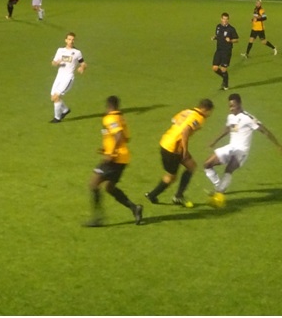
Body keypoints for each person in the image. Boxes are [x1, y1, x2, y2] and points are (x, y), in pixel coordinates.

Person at [203, 93, 282, 203]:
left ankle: (219, 193)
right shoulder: (231, 116)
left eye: (233, 106)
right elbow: (228, 129)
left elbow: (264, 131)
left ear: (240, 104)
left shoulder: (248, 118)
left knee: (229, 169)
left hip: (241, 151)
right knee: (207, 165)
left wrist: (278, 146)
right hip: (230, 147)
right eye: (230, 106)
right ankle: (219, 185)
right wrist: (214, 141)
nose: (231, 108)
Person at [85, 96, 143, 227]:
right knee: (109, 187)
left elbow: (119, 135)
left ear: (108, 106)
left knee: (93, 184)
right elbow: (126, 138)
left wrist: (111, 152)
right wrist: (106, 148)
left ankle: (97, 218)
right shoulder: (120, 117)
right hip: (123, 158)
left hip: (115, 158)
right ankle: (135, 208)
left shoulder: (110, 118)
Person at [145, 99, 215, 208]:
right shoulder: (199, 117)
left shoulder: (187, 111)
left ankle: (178, 195)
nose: (209, 115)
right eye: (210, 112)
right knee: (171, 177)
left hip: (166, 141)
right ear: (206, 109)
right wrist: (185, 150)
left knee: (191, 166)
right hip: (173, 148)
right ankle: (153, 195)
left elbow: (174, 120)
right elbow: (185, 131)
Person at [50, 32, 86, 123]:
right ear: (66, 40)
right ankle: (65, 110)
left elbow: (83, 63)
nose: (71, 41)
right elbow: (53, 62)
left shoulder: (77, 52)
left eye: (73, 40)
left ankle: (57, 118)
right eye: (69, 39)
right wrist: (56, 63)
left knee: (55, 97)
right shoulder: (60, 50)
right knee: (53, 97)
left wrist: (82, 68)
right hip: (59, 76)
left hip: (68, 77)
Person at [211, 12, 239, 90]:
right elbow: (218, 35)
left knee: (223, 69)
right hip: (219, 50)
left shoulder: (231, 29)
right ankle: (224, 78)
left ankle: (226, 84)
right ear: (221, 19)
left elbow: (236, 40)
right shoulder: (218, 27)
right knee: (215, 68)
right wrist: (215, 37)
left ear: (228, 20)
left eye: (226, 19)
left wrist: (230, 40)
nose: (225, 20)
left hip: (226, 51)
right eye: (223, 19)